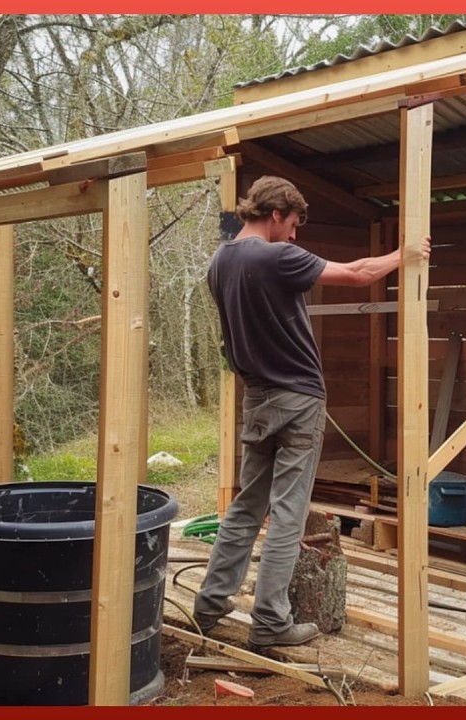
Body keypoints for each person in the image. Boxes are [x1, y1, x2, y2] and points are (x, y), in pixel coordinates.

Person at [192, 175, 432, 648]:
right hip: (298, 400)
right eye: (294, 224)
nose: (295, 235)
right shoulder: (276, 255)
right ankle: (271, 622)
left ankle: (209, 605)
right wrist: (403, 255)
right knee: (288, 514)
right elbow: (360, 272)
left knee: (245, 508)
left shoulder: (219, 262)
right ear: (276, 213)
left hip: (257, 398)